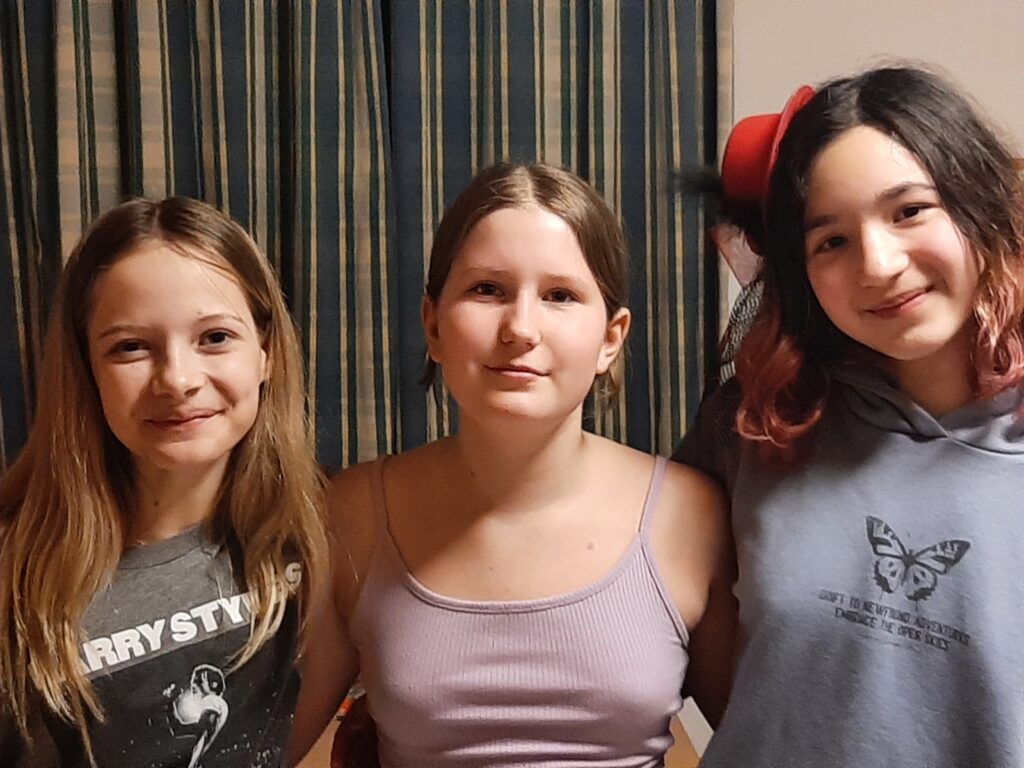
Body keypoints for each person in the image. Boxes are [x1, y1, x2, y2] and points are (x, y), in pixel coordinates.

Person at [290, 162, 736, 767]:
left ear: (611, 338)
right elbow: (263, 744)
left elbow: (767, 742)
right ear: (432, 324)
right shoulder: (353, 514)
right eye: (487, 290)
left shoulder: (691, 513)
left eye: (560, 296)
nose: (521, 328)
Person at [677, 65, 1024, 767]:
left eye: (910, 211)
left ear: (980, 206)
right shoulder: (752, 426)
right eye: (830, 240)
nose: (879, 265)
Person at [0, 197, 328, 767]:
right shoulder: (16, 570)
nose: (177, 379)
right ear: (87, 369)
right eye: (131, 347)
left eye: (215, 337)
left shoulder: (322, 536)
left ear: (266, 353)